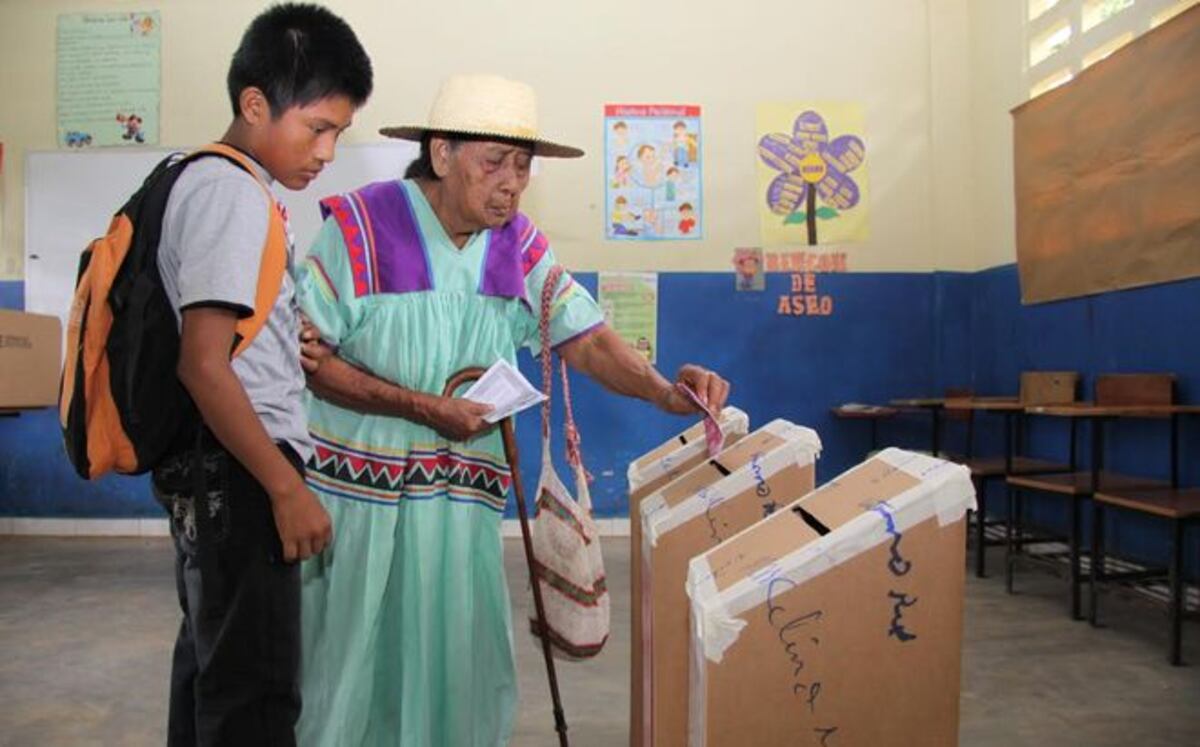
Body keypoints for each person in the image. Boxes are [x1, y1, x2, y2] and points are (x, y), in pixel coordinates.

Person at [294, 73, 729, 746]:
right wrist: (422, 406)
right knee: (356, 664)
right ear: (441, 154)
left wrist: (667, 391)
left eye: (522, 166)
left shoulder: (516, 245)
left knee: (458, 668)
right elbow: (309, 358)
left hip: (459, 516)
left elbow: (585, 338)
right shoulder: (360, 229)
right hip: (364, 511)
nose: (511, 183)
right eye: (493, 161)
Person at [149, 5, 372, 745]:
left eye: (339, 132)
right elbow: (203, 364)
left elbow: (226, 341)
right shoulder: (231, 192)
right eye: (318, 127)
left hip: (221, 472)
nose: (328, 150)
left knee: (216, 674)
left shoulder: (213, 182)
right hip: (243, 477)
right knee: (256, 696)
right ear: (255, 105)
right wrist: (286, 487)